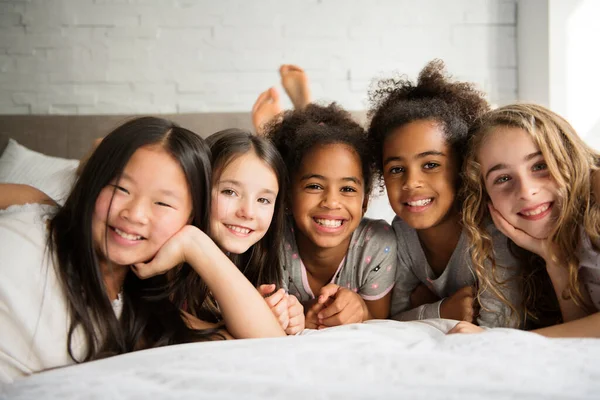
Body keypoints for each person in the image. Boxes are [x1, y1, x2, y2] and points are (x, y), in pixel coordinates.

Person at [0, 117, 284, 383]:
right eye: (121, 189)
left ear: (191, 216)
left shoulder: (141, 317)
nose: (135, 214)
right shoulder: (35, 209)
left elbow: (268, 345)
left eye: (163, 203)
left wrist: (195, 244)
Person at [367, 59, 523, 328]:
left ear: (462, 166)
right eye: (396, 169)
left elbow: (498, 327)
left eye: (431, 165)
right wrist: (442, 309)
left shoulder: (490, 230)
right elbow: (390, 321)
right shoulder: (402, 233)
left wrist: (421, 305)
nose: (411, 182)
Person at [449, 103, 600, 337]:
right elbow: (580, 340)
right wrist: (554, 259)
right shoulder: (557, 248)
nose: (526, 191)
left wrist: (501, 341)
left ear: (569, 156)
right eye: (503, 178)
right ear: (487, 198)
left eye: (540, 166)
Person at [264, 102, 397, 329]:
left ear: (364, 202)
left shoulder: (377, 243)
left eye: (347, 189)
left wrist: (361, 309)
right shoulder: (272, 240)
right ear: (286, 197)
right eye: (314, 186)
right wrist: (303, 313)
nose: (332, 202)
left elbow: (379, 317)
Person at [204, 129, 304, 334]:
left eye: (263, 200)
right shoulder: (176, 262)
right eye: (230, 192)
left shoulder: (260, 263)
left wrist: (288, 314)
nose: (248, 212)